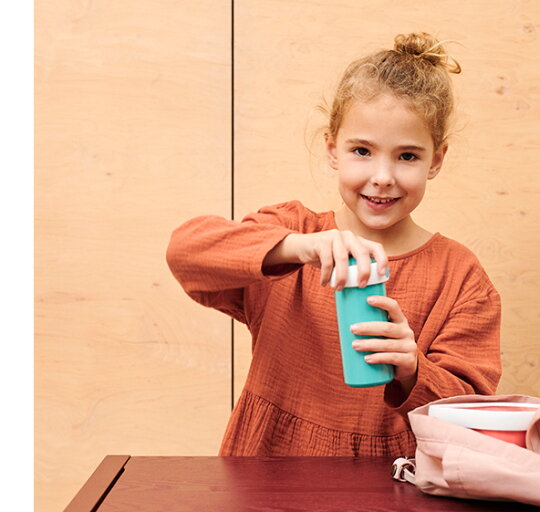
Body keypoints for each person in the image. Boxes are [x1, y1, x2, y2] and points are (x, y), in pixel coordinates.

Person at [166, 32, 501, 457]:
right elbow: (186, 252)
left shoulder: (460, 276)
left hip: (391, 478)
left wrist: (413, 369)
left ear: (436, 160)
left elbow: (471, 409)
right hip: (267, 466)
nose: (382, 176)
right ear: (332, 149)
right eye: (362, 150)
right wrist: (296, 247)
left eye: (408, 156)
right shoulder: (292, 232)